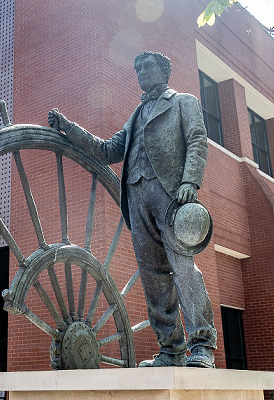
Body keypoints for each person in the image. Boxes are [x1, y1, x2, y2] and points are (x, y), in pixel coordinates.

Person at [48, 51, 217, 368]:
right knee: (154, 278)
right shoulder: (137, 115)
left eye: (147, 66)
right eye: (137, 67)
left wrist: (190, 181)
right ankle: (171, 350)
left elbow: (197, 139)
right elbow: (107, 150)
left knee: (184, 270)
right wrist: (68, 128)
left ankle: (203, 346)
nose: (140, 71)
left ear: (164, 71)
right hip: (136, 200)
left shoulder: (184, 102)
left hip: (171, 197)